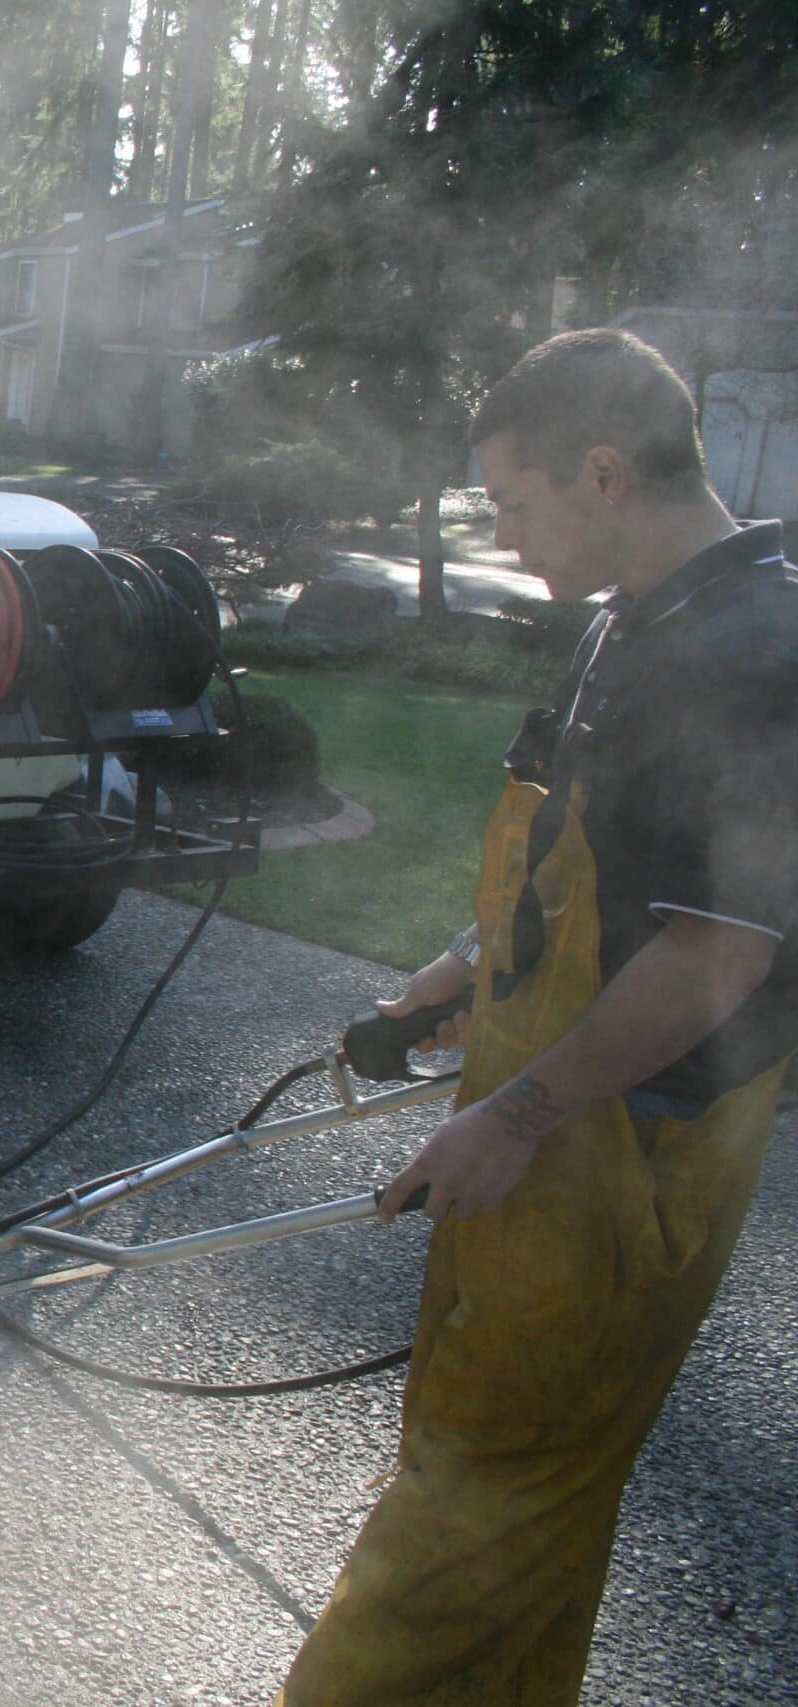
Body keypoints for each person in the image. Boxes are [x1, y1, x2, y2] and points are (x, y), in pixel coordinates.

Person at [278, 328, 798, 1705]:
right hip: (554, 1125)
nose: (502, 538)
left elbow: (713, 958)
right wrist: (460, 973)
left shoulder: (753, 656)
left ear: (605, 474)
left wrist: (515, 1114)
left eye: (513, 503)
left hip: (634, 1156)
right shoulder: (637, 619)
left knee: (466, 1524)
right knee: (515, 1524)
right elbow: (581, 872)